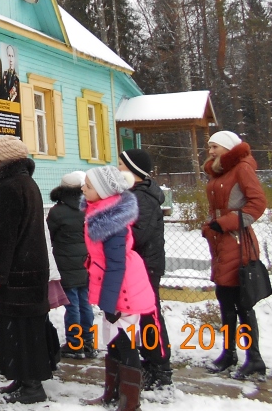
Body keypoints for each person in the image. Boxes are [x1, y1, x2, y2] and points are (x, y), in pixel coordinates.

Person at [79, 166, 157, 411]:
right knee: (112, 341)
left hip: (123, 291)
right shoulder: (99, 211)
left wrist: (110, 303)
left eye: (88, 186)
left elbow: (115, 265)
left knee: (125, 343)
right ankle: (112, 393)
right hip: (112, 289)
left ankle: (130, 402)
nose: (83, 189)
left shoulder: (111, 221)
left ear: (103, 192)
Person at [0, 135, 51, 404]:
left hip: (16, 272)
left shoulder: (10, 188)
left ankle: (32, 386)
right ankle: (22, 379)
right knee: (24, 327)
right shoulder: (26, 183)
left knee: (22, 329)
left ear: (4, 160)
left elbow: (4, 235)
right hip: (28, 268)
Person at [201, 131, 268, 380]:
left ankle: (255, 359)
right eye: (209, 147)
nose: (210, 151)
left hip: (238, 244)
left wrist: (226, 222)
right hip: (220, 244)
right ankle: (228, 354)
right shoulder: (219, 172)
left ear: (228, 148)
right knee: (225, 302)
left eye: (215, 146)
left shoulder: (242, 168)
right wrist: (210, 226)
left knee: (243, 304)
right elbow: (215, 208)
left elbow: (257, 203)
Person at [118, 148, 172, 389]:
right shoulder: (134, 194)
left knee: (151, 316)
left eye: (121, 164)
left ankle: (160, 367)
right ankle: (150, 360)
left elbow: (138, 234)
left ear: (133, 170)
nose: (117, 168)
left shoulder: (143, 198)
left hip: (146, 265)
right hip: (138, 264)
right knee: (143, 316)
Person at [47, 171, 94, 361]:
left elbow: (50, 234)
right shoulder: (89, 208)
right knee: (85, 303)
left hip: (65, 262)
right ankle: (88, 341)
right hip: (86, 261)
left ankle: (75, 344)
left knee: (72, 304)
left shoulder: (57, 212)